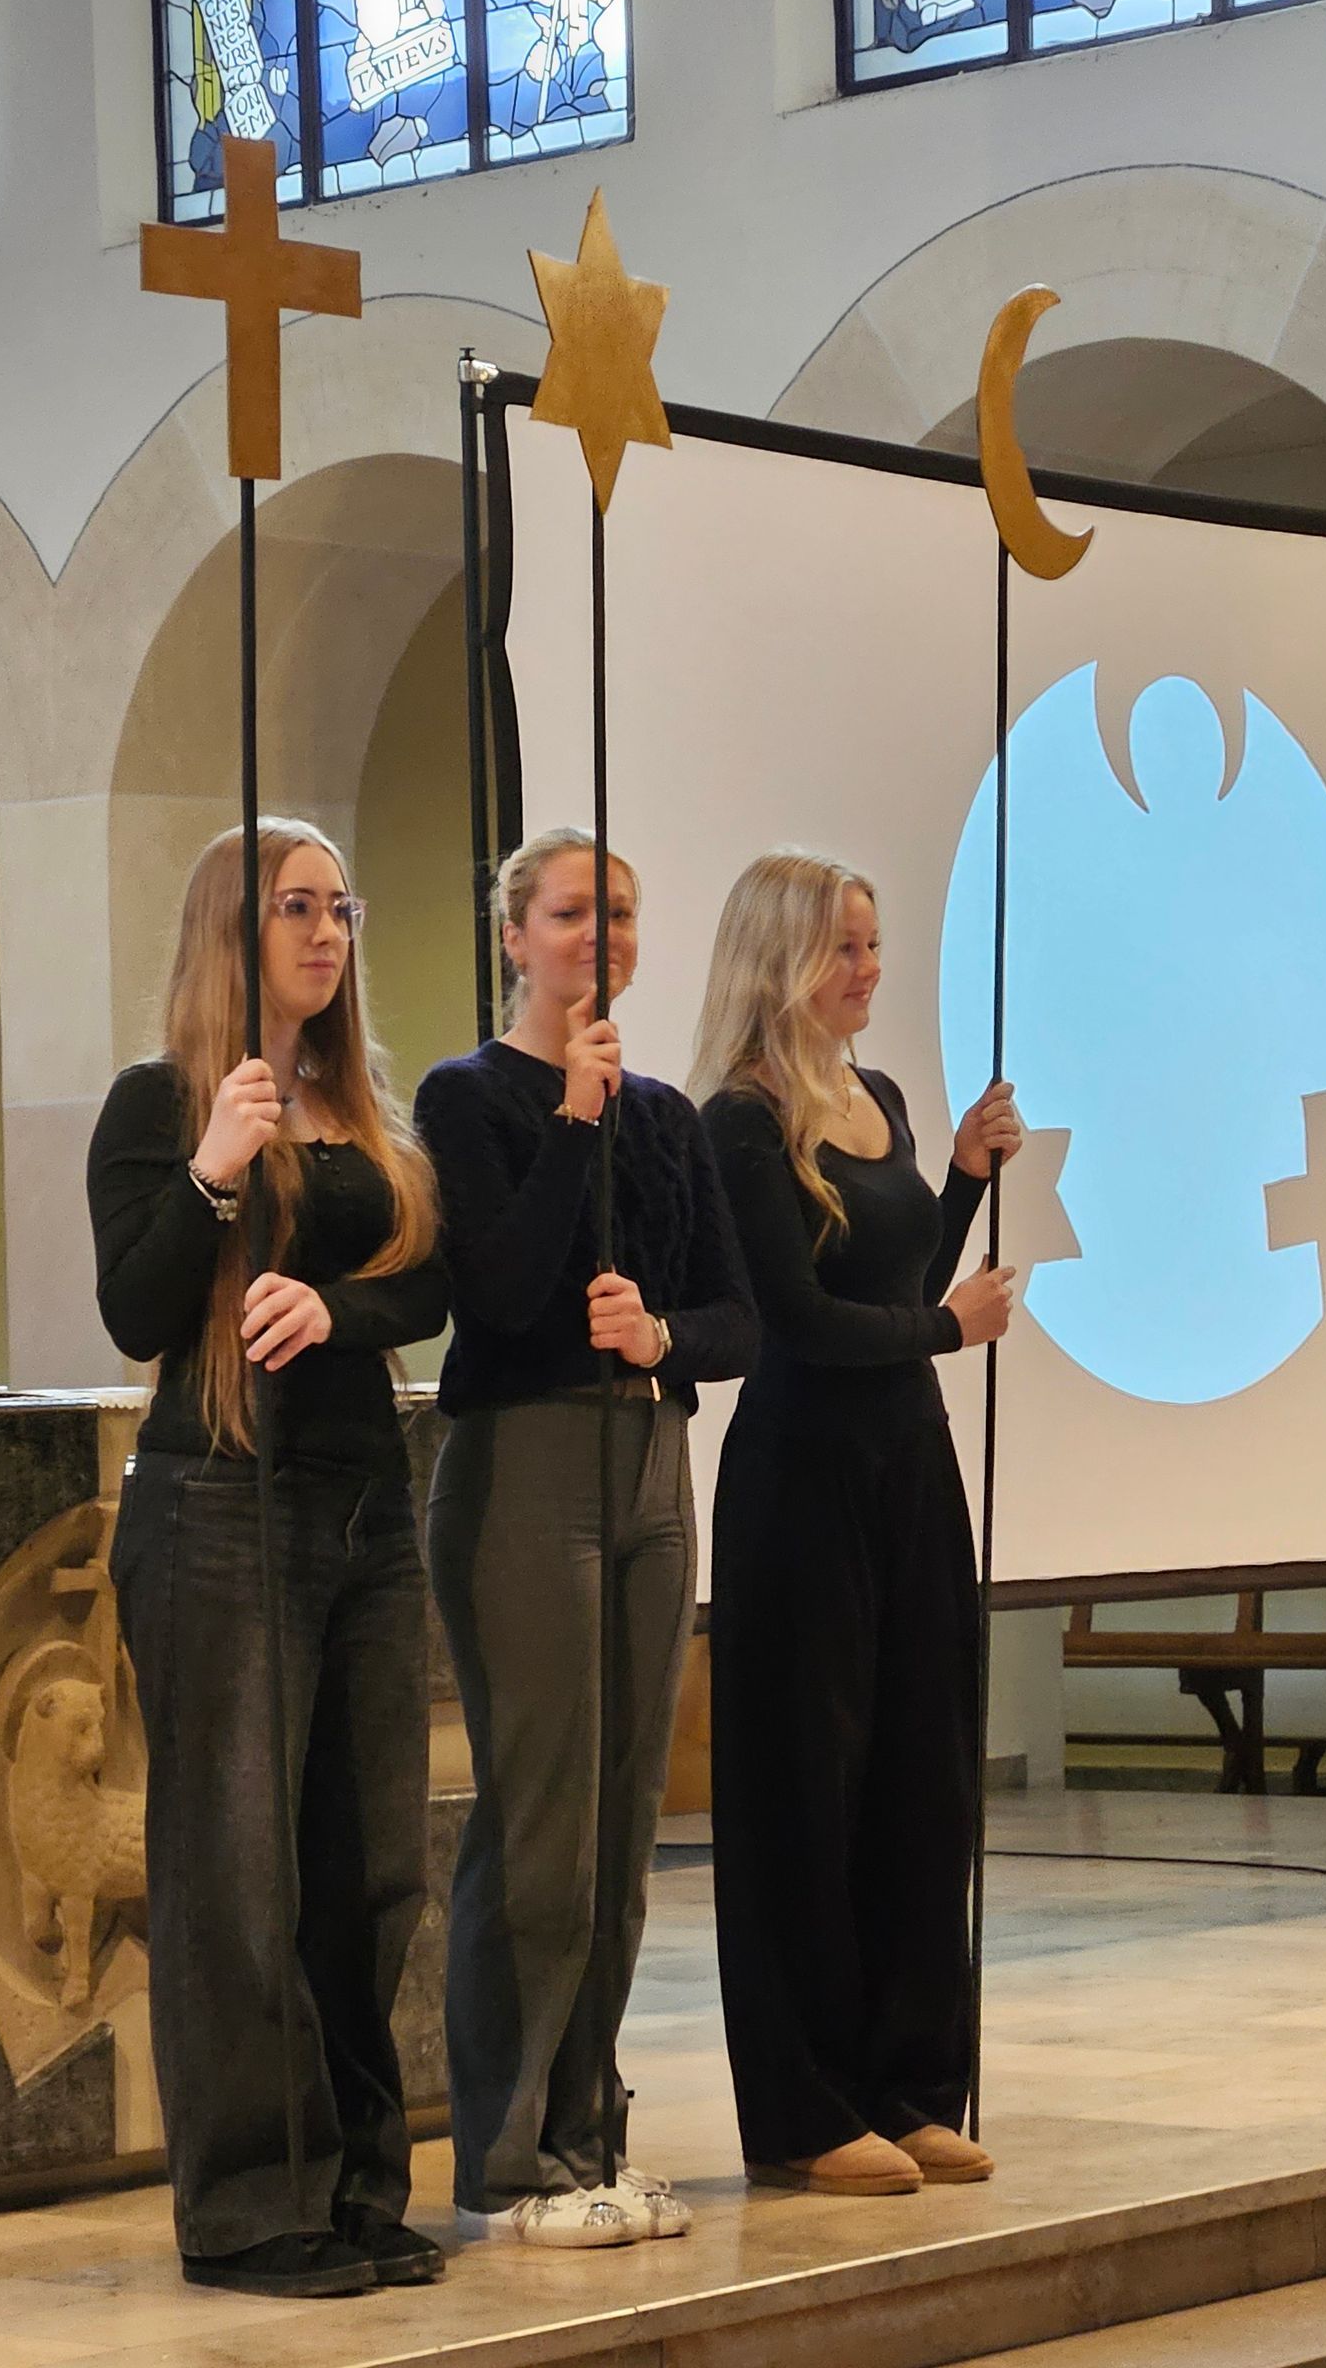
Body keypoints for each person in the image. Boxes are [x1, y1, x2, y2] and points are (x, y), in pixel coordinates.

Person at [87, 817, 448, 2300]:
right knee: (236, 1877)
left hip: (365, 1511)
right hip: (221, 1512)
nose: (325, 934)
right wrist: (216, 1173)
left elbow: (426, 1283)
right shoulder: (162, 1105)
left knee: (370, 1872)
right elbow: (136, 1307)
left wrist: (337, 1312)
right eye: (295, 908)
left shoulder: (362, 1106)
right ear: (229, 933)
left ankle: (358, 2186)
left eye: (340, 908)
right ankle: (249, 2207)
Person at [414, 828, 757, 2250]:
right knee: (545, 1819)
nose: (598, 935)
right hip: (526, 1462)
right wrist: (569, 1114)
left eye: (617, 912)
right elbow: (494, 1294)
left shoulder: (667, 1117)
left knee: (623, 1828)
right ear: (515, 936)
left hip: (652, 1461)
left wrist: (662, 1333)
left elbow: (739, 1318)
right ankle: (505, 2158)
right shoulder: (468, 1095)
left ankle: (586, 2133)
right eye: (569, 914)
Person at [692, 850, 1021, 2198]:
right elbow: (804, 1323)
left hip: (908, 1467)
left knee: (921, 1779)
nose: (870, 970)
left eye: (875, 945)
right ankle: (807, 2108)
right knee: (804, 1794)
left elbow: (900, 1279)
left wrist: (963, 1182)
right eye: (845, 948)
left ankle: (912, 2087)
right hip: (800, 1479)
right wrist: (950, 1328)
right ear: (780, 959)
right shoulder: (739, 1119)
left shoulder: (877, 1096)